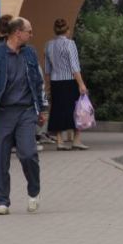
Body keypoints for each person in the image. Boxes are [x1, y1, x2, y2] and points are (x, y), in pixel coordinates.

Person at [0, 17, 47, 215]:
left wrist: (43, 108)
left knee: (28, 153)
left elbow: (38, 82)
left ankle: (34, 191)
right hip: (3, 112)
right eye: (29, 31)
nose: (31, 35)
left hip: (25, 111)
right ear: (17, 33)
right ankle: (2, 201)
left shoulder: (30, 54)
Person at [45, 18, 89, 151]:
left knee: (57, 109)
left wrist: (47, 85)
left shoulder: (48, 45)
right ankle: (76, 140)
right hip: (70, 81)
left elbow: (47, 68)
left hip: (55, 82)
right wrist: (81, 84)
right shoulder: (70, 44)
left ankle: (59, 141)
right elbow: (75, 66)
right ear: (67, 30)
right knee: (77, 109)